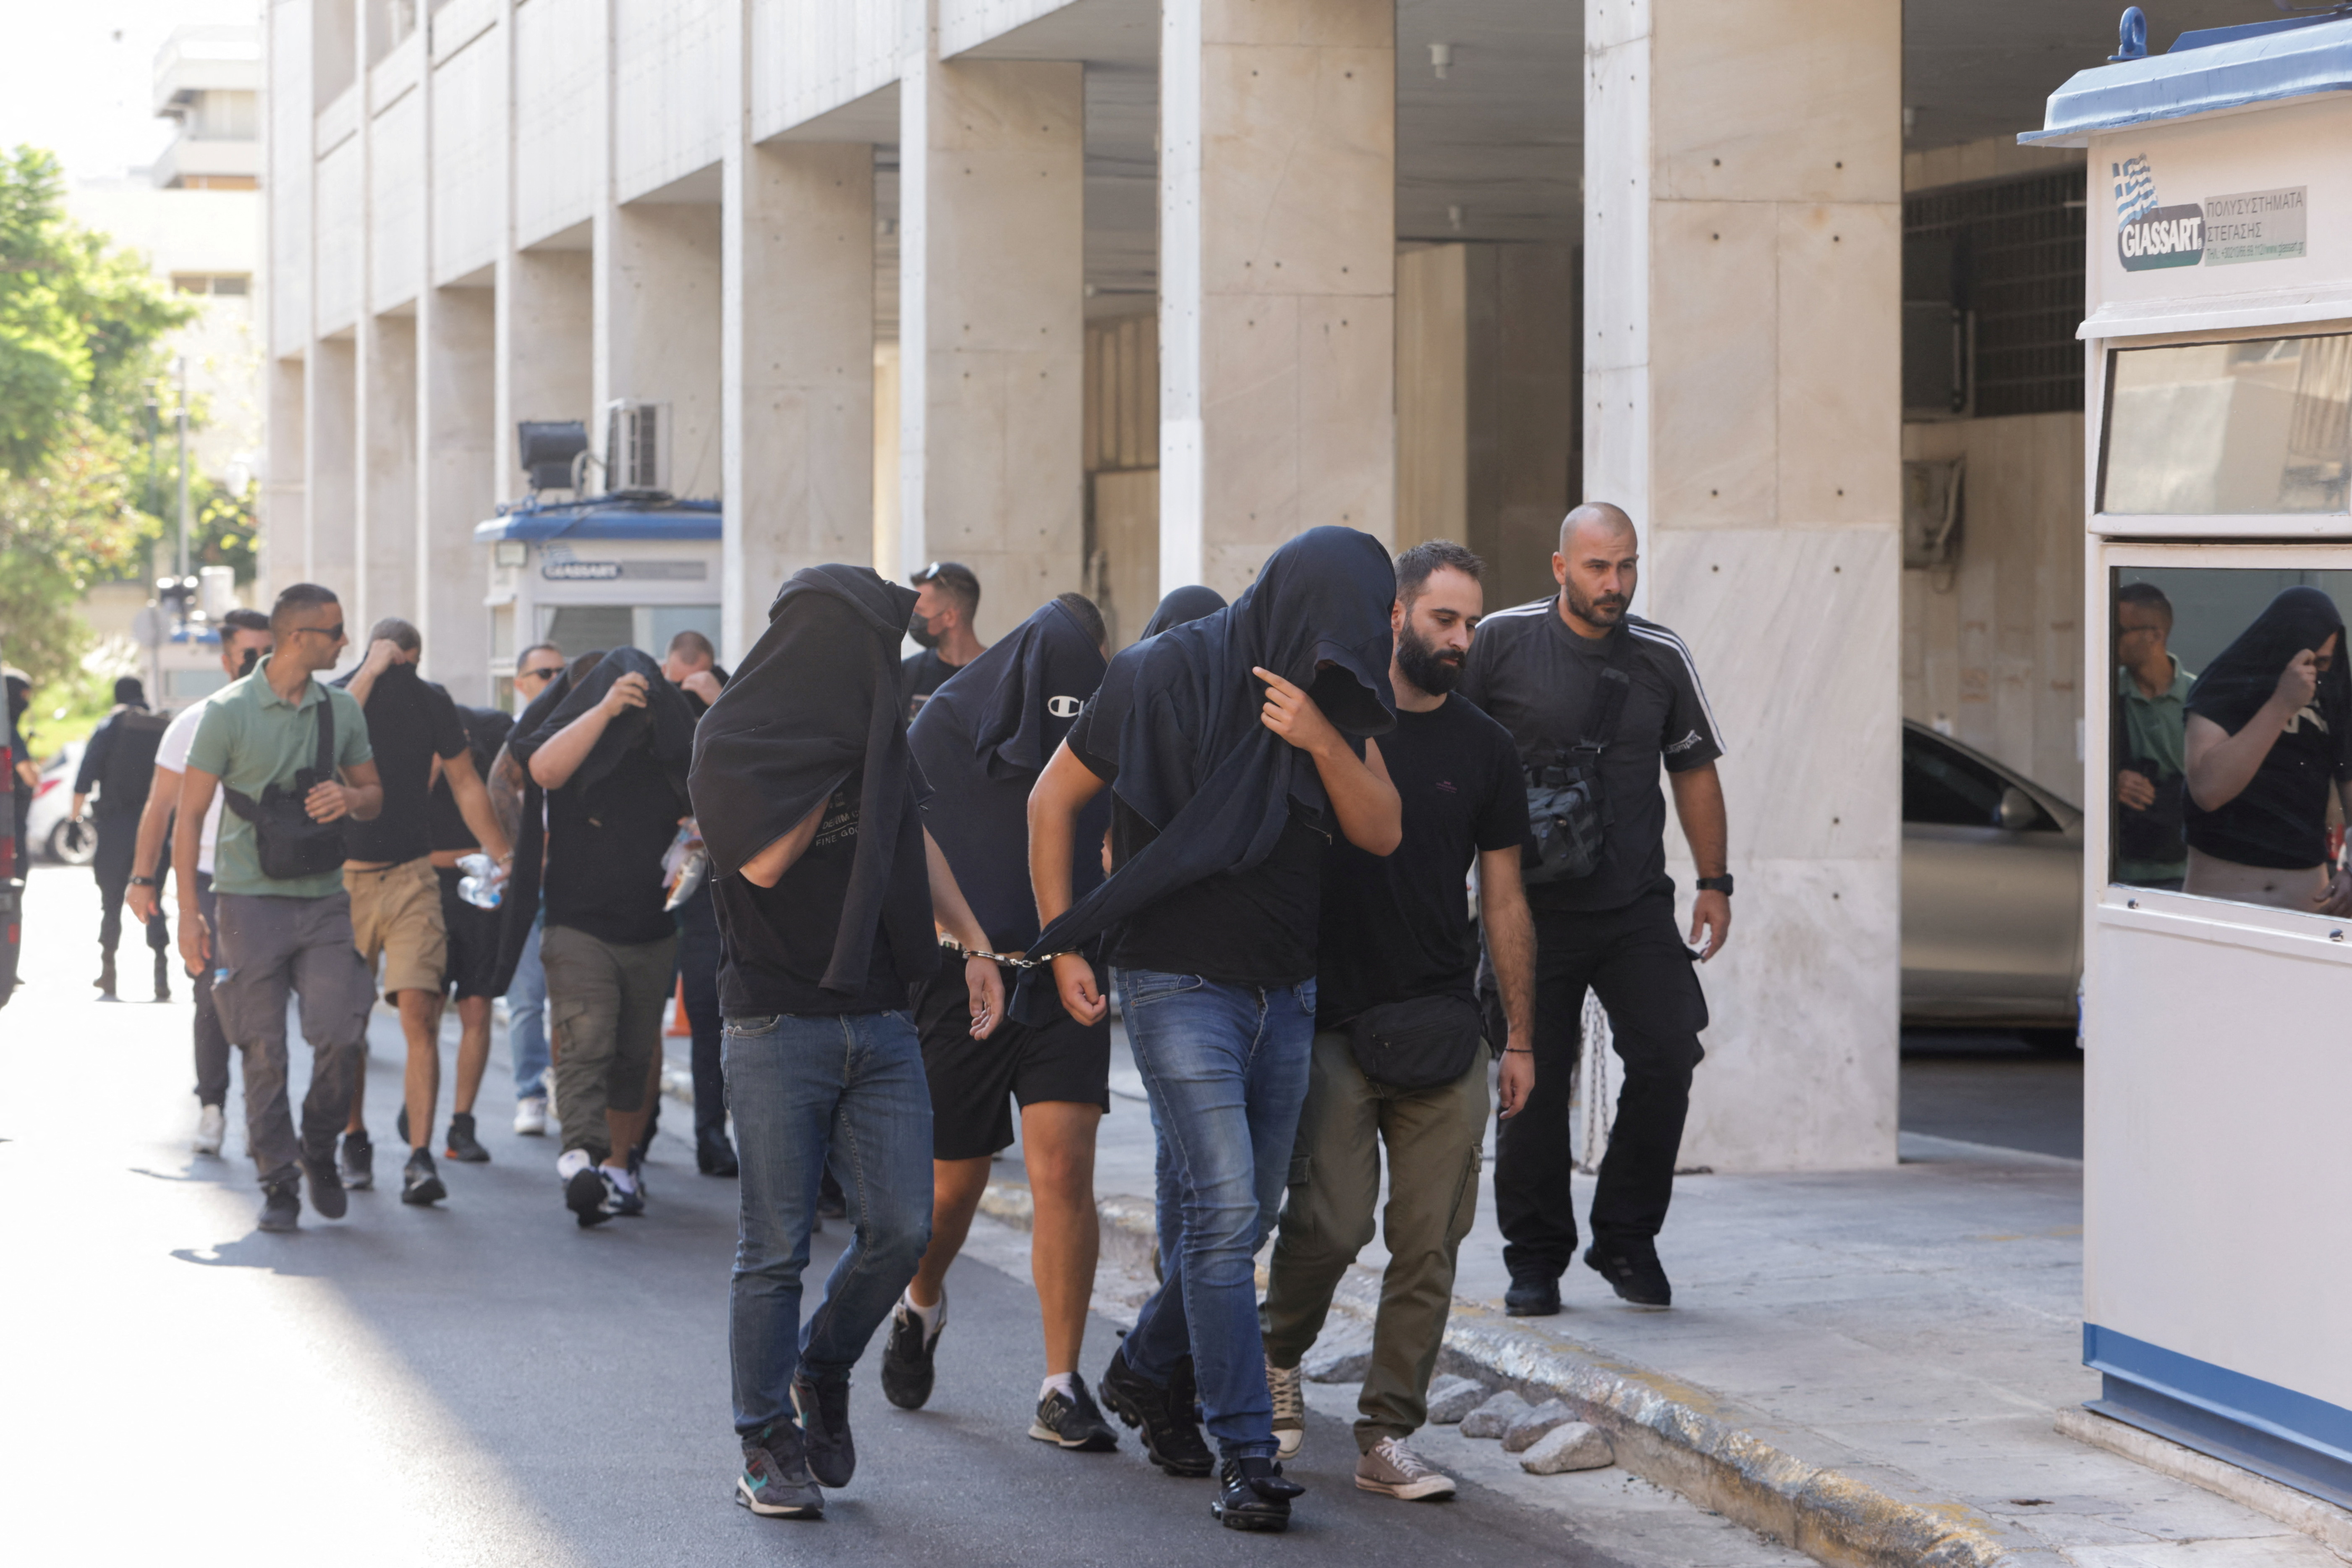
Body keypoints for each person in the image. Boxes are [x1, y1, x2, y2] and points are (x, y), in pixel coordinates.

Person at [1026, 526, 1402, 1534]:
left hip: (1287, 989)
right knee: (1226, 1214)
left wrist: (1321, 737)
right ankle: (1244, 1449)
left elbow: (1381, 828)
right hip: (1174, 982)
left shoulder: (1324, 690)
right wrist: (1066, 943)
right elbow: (1050, 796)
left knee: (1243, 1216)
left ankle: (1147, 1367)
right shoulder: (1156, 675)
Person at [689, 563, 1007, 1521]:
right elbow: (763, 859)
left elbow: (910, 836)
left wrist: (975, 942)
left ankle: (820, 1368)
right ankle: (762, 1439)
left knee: (901, 1225)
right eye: (874, 648)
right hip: (776, 1015)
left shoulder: (877, 734)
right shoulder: (731, 737)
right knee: (775, 1242)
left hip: (881, 1009)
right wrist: (844, 760)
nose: (886, 670)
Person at [1258, 541, 1538, 1501]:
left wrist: (1520, 1037)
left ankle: (1387, 1433)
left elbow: (1502, 902)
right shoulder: (1323, 722)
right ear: (1395, 615)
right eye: (1442, 621)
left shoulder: (1486, 749)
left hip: (1442, 1027)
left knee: (1429, 1242)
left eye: (1470, 624)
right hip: (1331, 1021)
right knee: (1329, 1222)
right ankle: (1274, 1356)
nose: (1460, 640)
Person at [1460, 503, 1730, 1315]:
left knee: (1667, 1056)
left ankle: (1623, 1237)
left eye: (1626, 566)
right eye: (1596, 568)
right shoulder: (1500, 642)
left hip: (1632, 907)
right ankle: (1534, 1259)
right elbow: (1445, 749)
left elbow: (1692, 771)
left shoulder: (1658, 655)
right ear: (1558, 567)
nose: (1613, 584)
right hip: (1524, 909)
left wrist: (1715, 882)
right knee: (1530, 1084)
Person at [884, 591, 1118, 1451]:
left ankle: (1059, 1383)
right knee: (953, 1185)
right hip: (964, 977)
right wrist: (966, 941)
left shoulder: (1106, 710)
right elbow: (908, 841)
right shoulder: (947, 719)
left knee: (1063, 1169)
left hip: (1066, 972)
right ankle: (920, 1299)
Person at [174, 584, 384, 1233]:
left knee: (341, 1033)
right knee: (262, 1048)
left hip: (323, 899)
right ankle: (277, 1179)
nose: (346, 642)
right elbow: (188, 815)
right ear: (298, 637)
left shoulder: (341, 709)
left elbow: (375, 793)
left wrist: (349, 800)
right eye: (336, 631)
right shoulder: (229, 711)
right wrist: (188, 911)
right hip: (246, 902)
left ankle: (317, 1146)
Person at [509, 647, 697, 1225]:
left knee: (633, 1055)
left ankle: (616, 1165)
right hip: (577, 924)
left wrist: (694, 837)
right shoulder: (578, 744)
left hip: (650, 925)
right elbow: (543, 769)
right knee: (585, 1039)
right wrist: (605, 707)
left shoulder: (668, 755)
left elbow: (714, 786)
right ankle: (580, 1155)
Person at [333, 620, 515, 1204]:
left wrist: (502, 852)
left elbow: (465, 781)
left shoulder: (430, 699)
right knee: (349, 1020)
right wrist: (369, 670)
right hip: (346, 880)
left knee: (419, 1012)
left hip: (412, 875)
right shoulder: (341, 691)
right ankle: (354, 1136)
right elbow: (330, 740)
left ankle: (420, 1155)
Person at [128, 609, 276, 1154]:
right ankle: (212, 1104)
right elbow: (160, 807)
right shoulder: (193, 724)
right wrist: (144, 878)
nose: (259, 663)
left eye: (269, 651)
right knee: (212, 994)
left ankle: (267, 1117)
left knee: (268, 1001)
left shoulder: (303, 719)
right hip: (213, 881)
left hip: (282, 883)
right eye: (248, 653)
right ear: (226, 660)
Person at [2181, 586, 2352, 915]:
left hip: (2302, 899)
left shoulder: (2336, 696)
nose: (2313, 673)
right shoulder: (2225, 684)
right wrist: (2281, 705)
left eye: (2324, 662)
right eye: (2305, 660)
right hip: (2220, 900)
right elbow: (2207, 790)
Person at [424, 701, 518, 1175]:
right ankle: (417, 1098)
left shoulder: (492, 730)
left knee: (476, 1006)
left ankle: (462, 1123)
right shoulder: (415, 736)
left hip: (480, 885)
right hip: (428, 887)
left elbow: (511, 793)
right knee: (425, 1008)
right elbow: (402, 810)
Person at [660, 630, 735, 1176]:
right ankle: (695, 1135)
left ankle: (713, 1134)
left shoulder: (730, 694)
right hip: (674, 881)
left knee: (716, 1015)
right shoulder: (652, 704)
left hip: (722, 883)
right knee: (694, 1014)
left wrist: (718, 699)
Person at [69, 676, 173, 1000]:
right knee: (154, 895)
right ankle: (162, 977)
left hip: (115, 827)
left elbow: (85, 776)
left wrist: (74, 819)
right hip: (156, 826)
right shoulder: (162, 727)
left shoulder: (111, 725)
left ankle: (108, 973)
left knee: (111, 902)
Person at [505, 641, 564, 1135]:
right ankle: (530, 1094)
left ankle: (568, 1088)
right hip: (527, 888)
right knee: (526, 1000)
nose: (555, 680)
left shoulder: (584, 735)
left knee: (571, 1001)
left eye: (563, 673)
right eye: (545, 673)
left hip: (572, 887)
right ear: (520, 683)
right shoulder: (512, 743)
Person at [2115, 583, 2196, 890]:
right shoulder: (2106, 694)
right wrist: (2113, 779)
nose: (2109, 638)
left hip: (2184, 867)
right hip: (2119, 871)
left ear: (2155, 635)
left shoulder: (2197, 697)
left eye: (2119, 629)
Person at [902, 560, 986, 719]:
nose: (912, 618)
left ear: (950, 617)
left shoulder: (1000, 675)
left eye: (919, 611)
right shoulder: (907, 674)